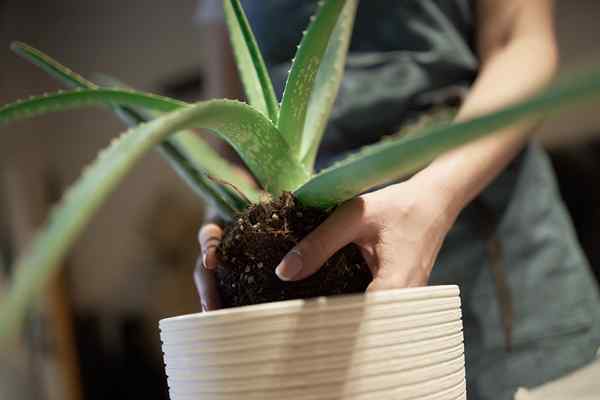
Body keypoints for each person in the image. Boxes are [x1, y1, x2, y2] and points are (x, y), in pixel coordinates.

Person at [193, 1, 600, 399]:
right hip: (326, 323)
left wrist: (437, 195)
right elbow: (233, 136)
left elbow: (520, 42)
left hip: (499, 264)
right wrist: (233, 215)